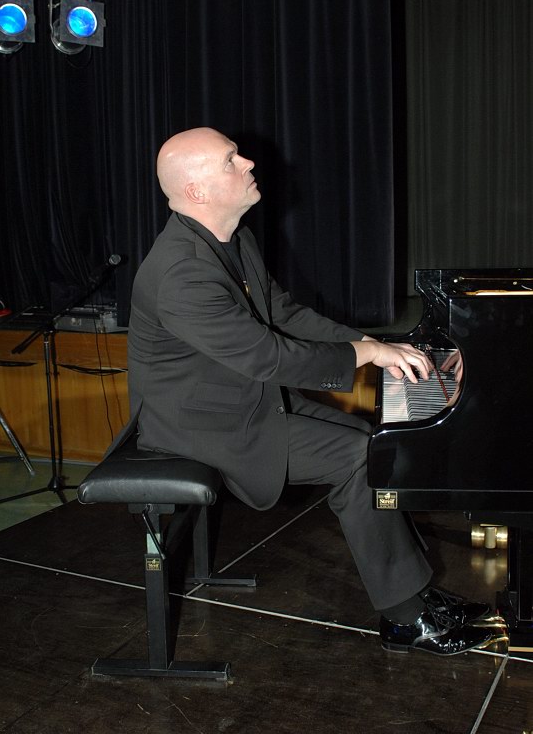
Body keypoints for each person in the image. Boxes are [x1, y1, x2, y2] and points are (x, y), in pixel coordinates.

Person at [127, 127, 497, 656]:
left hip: (236, 399)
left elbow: (283, 314)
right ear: (197, 191)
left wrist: (369, 344)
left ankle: (415, 593)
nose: (249, 163)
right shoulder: (182, 274)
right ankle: (405, 617)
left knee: (373, 442)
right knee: (358, 457)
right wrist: (367, 357)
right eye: (231, 160)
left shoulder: (232, 239)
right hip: (198, 425)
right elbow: (268, 356)